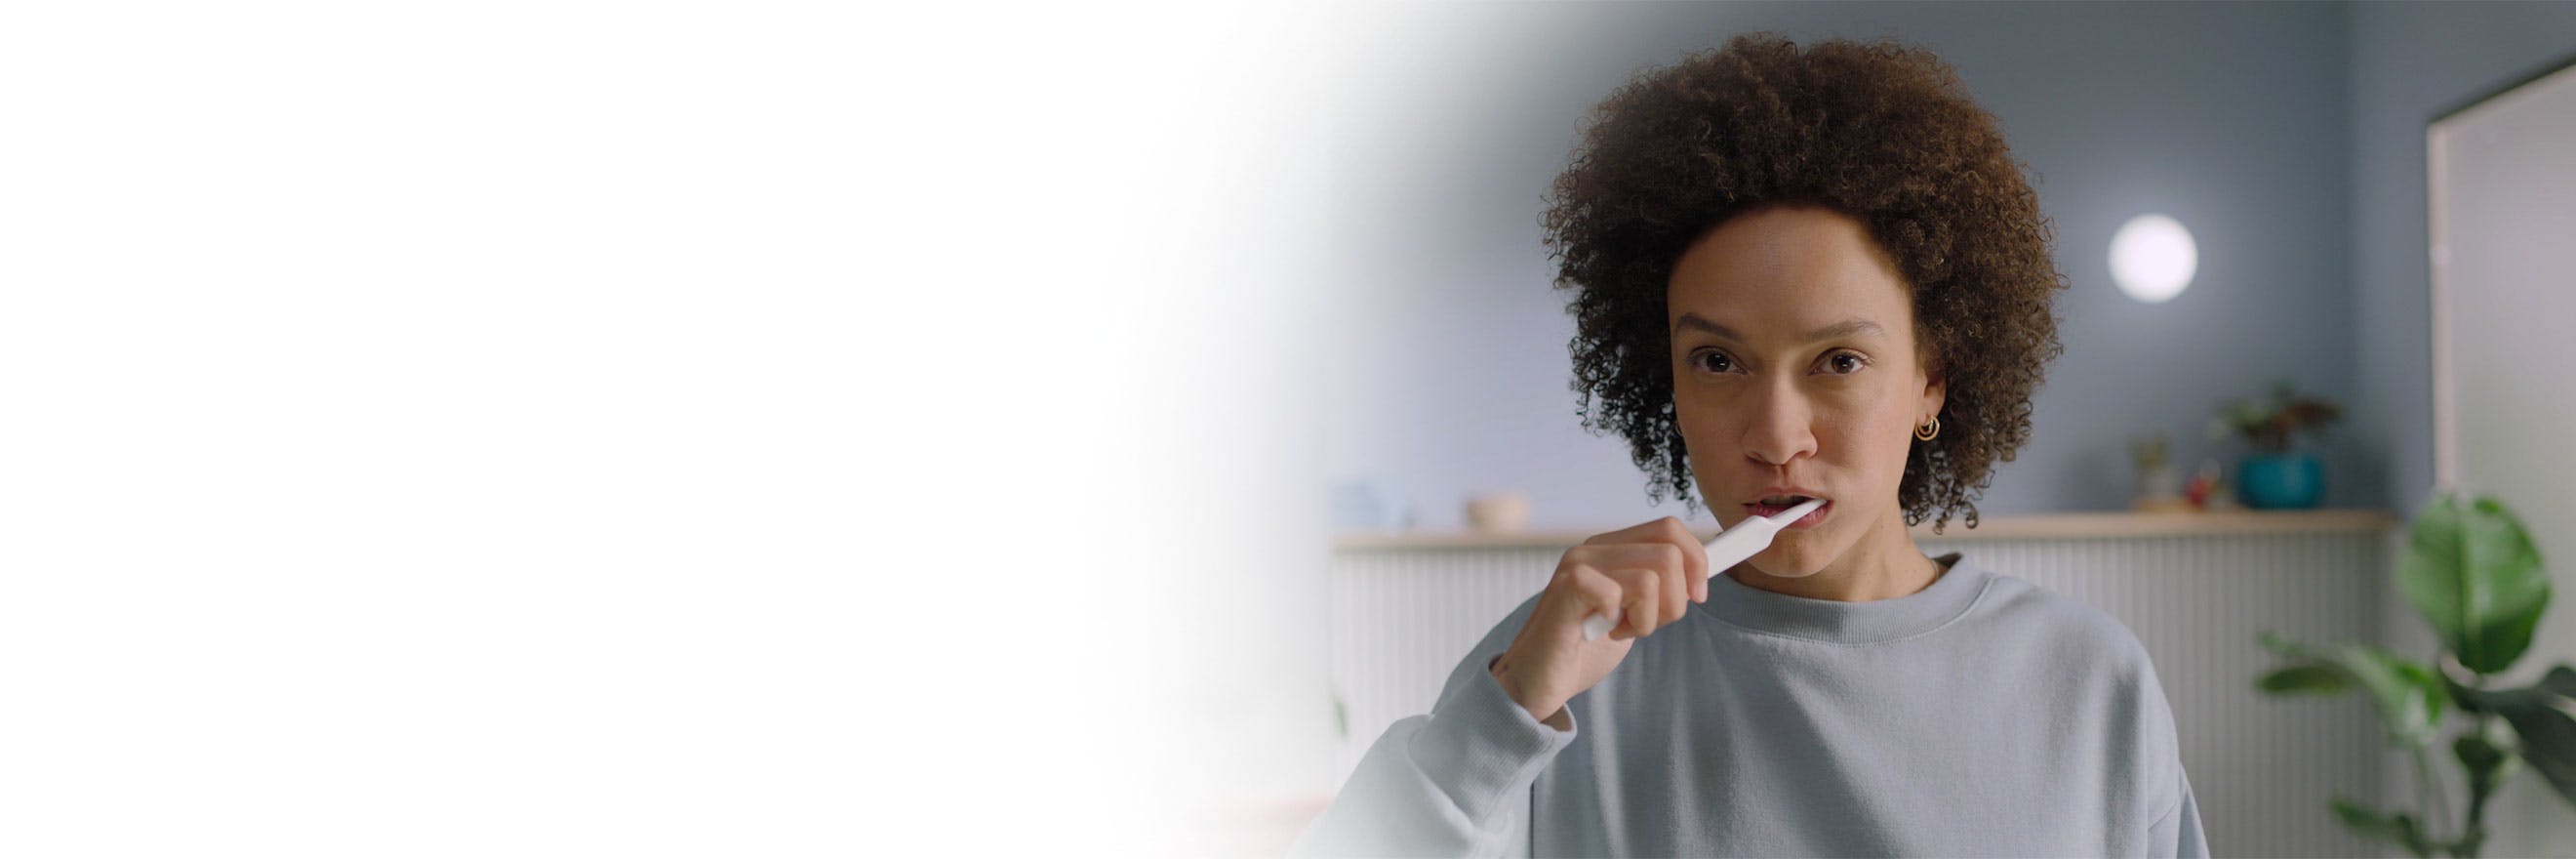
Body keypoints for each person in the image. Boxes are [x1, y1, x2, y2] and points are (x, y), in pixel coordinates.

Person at [1290, 33, 2210, 857]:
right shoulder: (1563, 668)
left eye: (1839, 360)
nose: (1775, 437)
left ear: (1933, 377)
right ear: (1667, 382)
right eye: (1719, 360)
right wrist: (1503, 718)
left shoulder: (2090, 681)